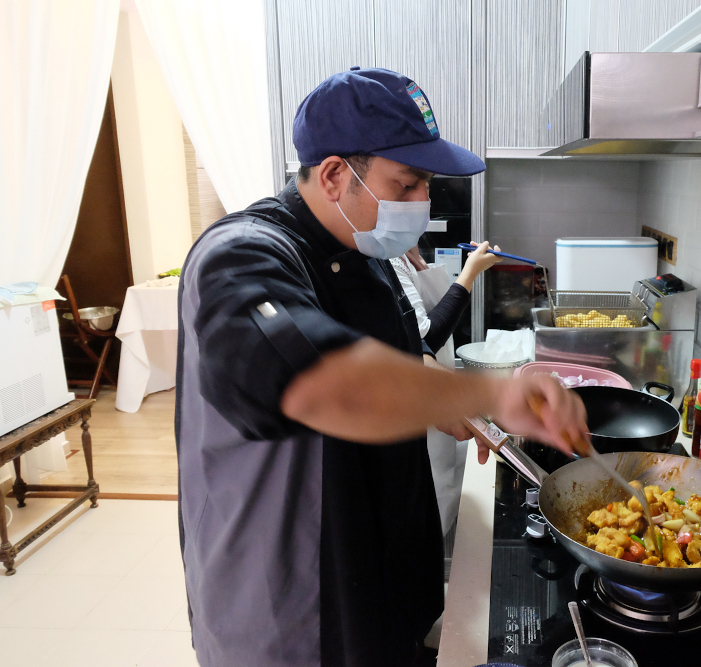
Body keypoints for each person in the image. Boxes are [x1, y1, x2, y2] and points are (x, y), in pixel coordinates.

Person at [174, 66, 589, 667]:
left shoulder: (364, 252)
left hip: (378, 574)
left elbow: (405, 357)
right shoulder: (239, 257)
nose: (423, 202)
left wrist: (450, 400)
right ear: (337, 174)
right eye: (408, 184)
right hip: (292, 598)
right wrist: (492, 394)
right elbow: (320, 383)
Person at [390, 241, 501, 533]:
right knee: (426, 504)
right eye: (409, 192)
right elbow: (426, 335)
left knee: (442, 488)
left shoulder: (402, 254)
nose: (422, 204)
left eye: (425, 193)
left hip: (437, 401)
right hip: (418, 404)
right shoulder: (383, 258)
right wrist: (470, 272)